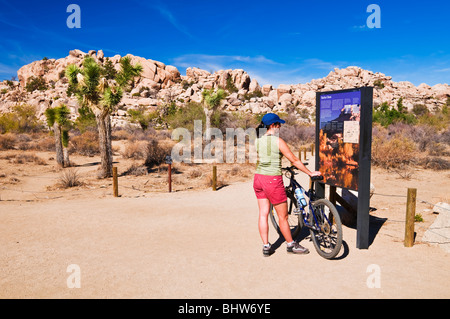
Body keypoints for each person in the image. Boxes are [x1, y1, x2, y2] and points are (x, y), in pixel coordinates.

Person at [253, 113, 322, 257]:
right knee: (283, 216)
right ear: (273, 125)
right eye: (279, 124)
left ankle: (266, 246)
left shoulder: (258, 141)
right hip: (272, 179)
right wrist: (310, 173)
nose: (280, 127)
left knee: (263, 213)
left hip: (259, 178)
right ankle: (291, 244)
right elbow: (294, 160)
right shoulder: (278, 141)